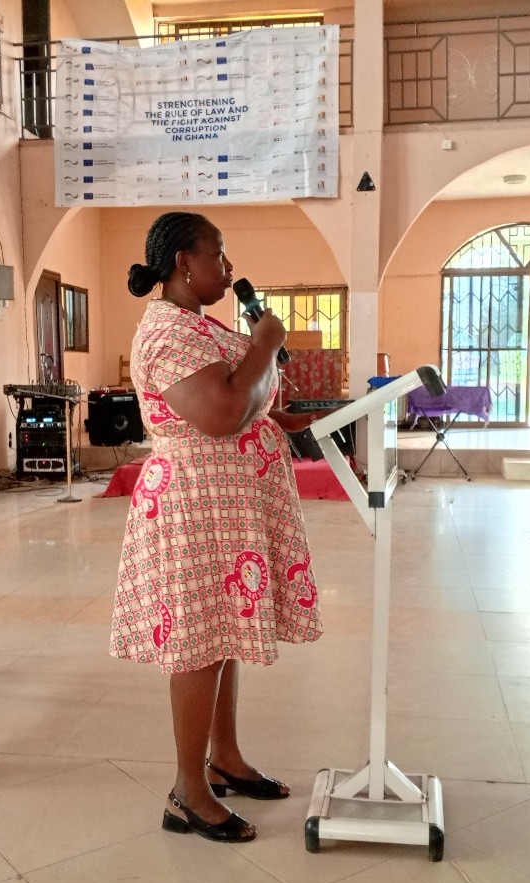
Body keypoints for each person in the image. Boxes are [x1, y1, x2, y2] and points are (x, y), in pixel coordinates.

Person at [110, 211, 323, 843]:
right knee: (198, 643)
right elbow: (223, 412)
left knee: (221, 633)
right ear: (184, 262)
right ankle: (188, 792)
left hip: (227, 505)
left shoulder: (197, 325)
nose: (229, 270)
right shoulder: (166, 333)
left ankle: (224, 758)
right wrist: (266, 344)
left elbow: (237, 402)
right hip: (195, 507)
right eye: (219, 255)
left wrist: (281, 418)